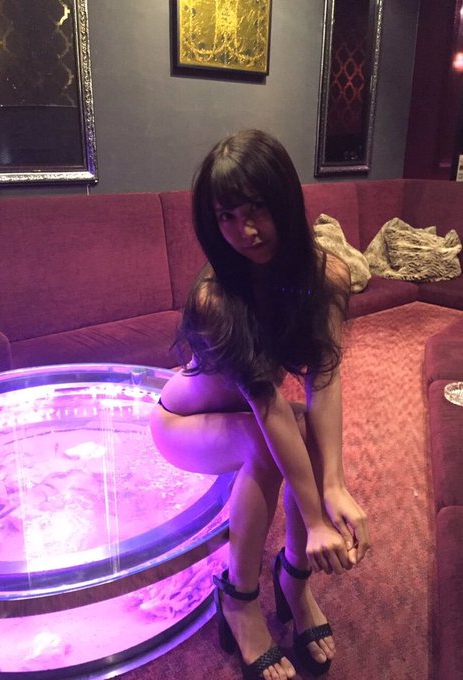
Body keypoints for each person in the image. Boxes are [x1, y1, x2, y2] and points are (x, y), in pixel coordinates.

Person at [150, 129, 370, 680]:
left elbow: (324, 377)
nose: (243, 232)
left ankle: (294, 580)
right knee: (266, 444)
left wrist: (336, 484)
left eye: (256, 209)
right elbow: (266, 405)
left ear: (284, 200)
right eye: (226, 216)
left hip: (248, 411)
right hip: (181, 420)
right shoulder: (216, 296)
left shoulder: (327, 276)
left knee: (308, 438)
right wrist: (316, 518)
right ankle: (239, 598)